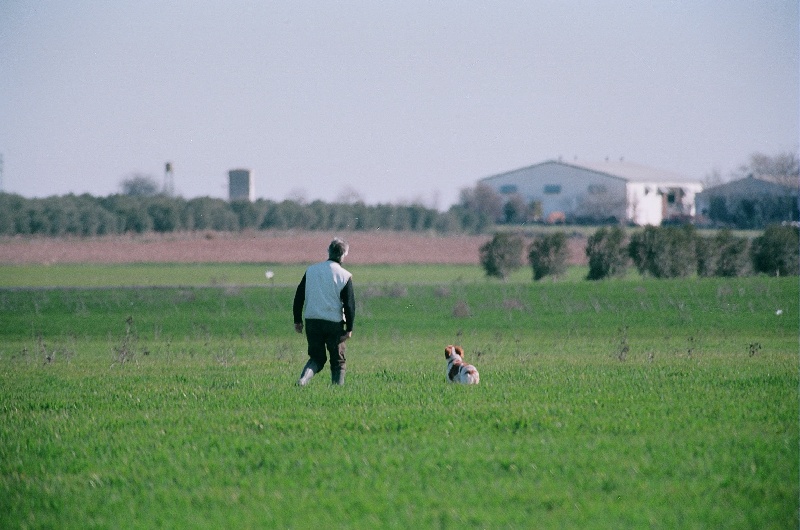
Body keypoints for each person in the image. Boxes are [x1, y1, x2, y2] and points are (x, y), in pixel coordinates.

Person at [293, 237, 355, 386]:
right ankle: (337, 390)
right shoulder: (344, 276)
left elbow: (299, 296)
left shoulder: (311, 270)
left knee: (316, 358)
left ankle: (303, 380)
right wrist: (349, 328)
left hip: (312, 320)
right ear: (344, 254)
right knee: (337, 360)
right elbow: (349, 305)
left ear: (328, 251)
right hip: (334, 322)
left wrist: (297, 320)